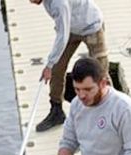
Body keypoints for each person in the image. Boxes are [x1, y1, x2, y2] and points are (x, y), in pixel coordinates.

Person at [30, 0, 107, 132]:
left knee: (100, 74)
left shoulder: (59, 3)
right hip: (71, 27)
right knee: (57, 68)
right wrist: (52, 65)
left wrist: (48, 65)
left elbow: (62, 35)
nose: (30, 2)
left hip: (91, 26)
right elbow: (62, 29)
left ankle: (107, 113)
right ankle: (57, 111)